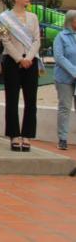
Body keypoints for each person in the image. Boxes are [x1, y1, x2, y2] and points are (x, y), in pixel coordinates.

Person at [0, 0, 41, 152]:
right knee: (12, 99)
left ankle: (27, 135)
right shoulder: (5, 18)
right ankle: (14, 135)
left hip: (31, 61)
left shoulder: (33, 17)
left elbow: (37, 40)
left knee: (31, 100)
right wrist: (19, 58)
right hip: (12, 61)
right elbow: (5, 41)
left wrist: (29, 57)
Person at [53, 10, 76, 151]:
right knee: (65, 108)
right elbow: (59, 57)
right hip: (64, 79)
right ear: (71, 21)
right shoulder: (60, 37)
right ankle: (62, 138)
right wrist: (74, 71)